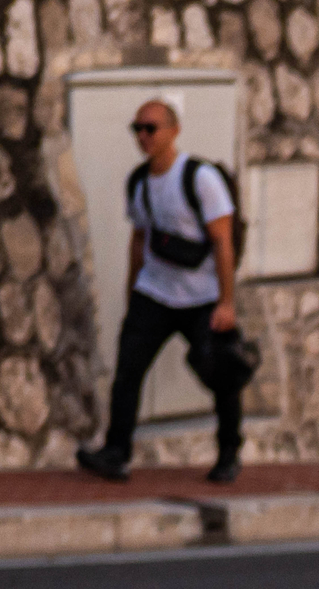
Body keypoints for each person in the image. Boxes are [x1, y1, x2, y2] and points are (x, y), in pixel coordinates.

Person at [76, 100, 246, 485]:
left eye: (151, 128)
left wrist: (226, 302)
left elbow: (223, 241)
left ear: (174, 130)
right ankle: (116, 452)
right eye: (137, 129)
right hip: (154, 293)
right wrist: (133, 292)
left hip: (202, 296)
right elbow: (139, 239)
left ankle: (229, 453)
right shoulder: (138, 181)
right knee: (128, 372)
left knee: (223, 375)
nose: (143, 136)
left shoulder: (200, 178)